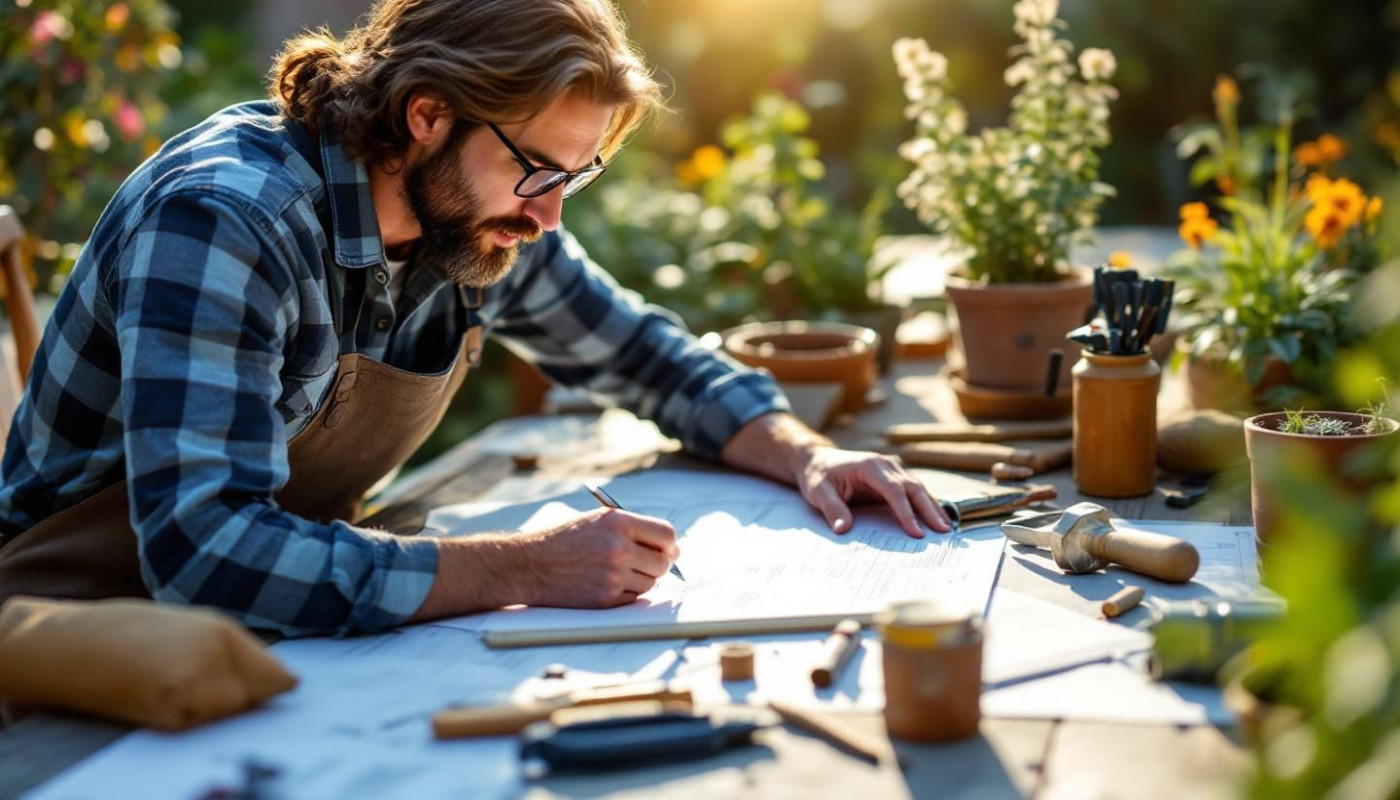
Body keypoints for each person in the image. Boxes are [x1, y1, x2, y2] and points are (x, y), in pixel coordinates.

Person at [0, 0, 951, 636]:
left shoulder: (472, 221)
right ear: (426, 116)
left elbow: (644, 356)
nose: (549, 214)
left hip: (288, 632)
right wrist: (520, 569)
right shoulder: (226, 221)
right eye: (539, 170)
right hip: (78, 643)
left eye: (577, 176)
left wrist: (804, 452)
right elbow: (201, 553)